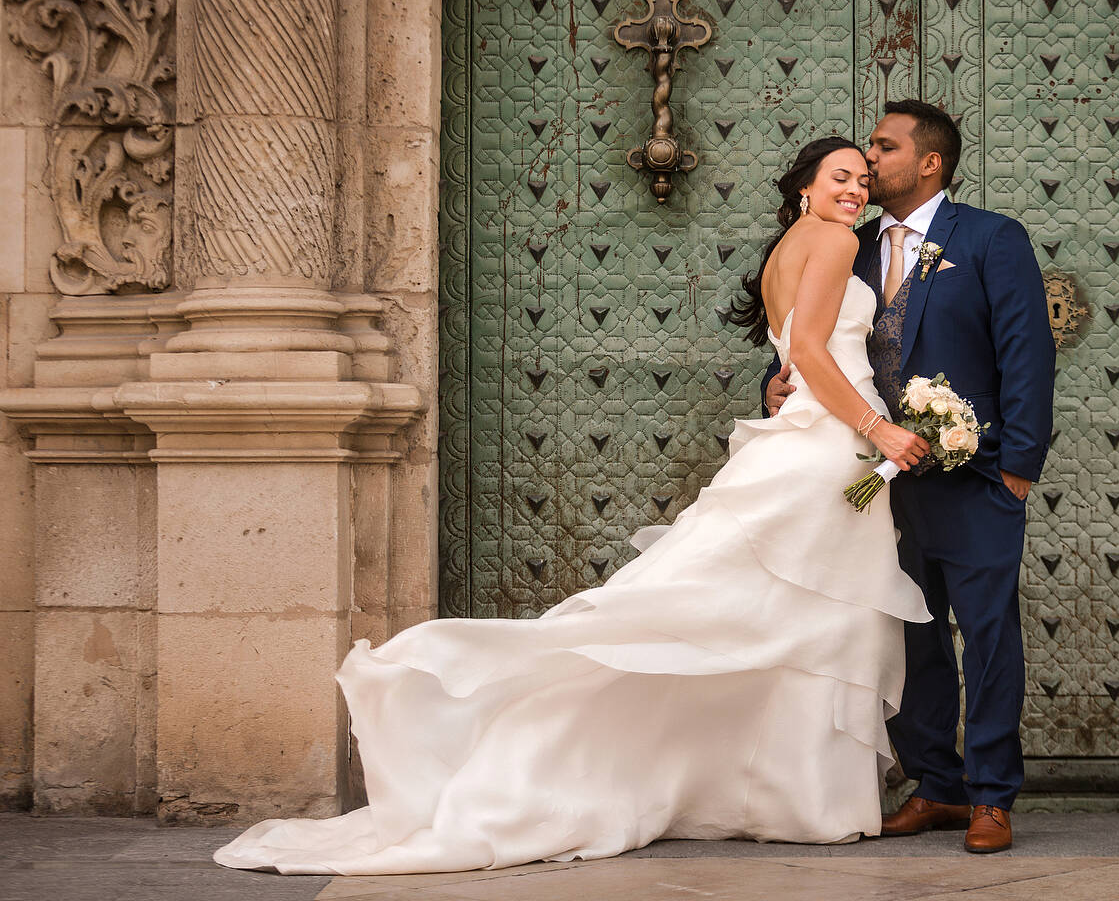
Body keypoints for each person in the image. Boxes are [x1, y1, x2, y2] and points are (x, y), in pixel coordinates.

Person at [213, 137, 933, 876]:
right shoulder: (837, 239)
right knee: (806, 613)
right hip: (827, 442)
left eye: (863, 178)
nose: (856, 188)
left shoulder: (791, 244)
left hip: (808, 433)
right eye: (839, 177)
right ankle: (803, 797)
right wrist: (879, 428)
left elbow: (792, 358)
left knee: (789, 614)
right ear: (806, 188)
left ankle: (783, 794)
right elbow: (812, 351)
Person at [763, 100, 1054, 853]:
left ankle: (992, 796)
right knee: (908, 638)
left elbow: (1027, 353)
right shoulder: (847, 244)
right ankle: (936, 787)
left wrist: (1017, 467)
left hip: (976, 474)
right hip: (873, 480)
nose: (869, 159)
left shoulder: (991, 238)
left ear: (929, 162)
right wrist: (778, 380)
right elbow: (812, 333)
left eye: (883, 148)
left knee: (988, 637)